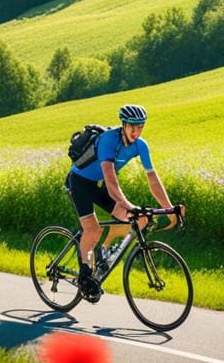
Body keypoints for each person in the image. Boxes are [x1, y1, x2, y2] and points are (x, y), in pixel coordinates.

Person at [65, 104, 181, 299]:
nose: (137, 131)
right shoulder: (108, 141)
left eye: (141, 126)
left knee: (138, 219)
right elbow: (111, 182)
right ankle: (85, 276)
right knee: (93, 230)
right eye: (133, 126)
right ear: (124, 124)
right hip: (80, 183)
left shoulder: (140, 145)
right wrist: (129, 205)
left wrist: (168, 208)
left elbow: (152, 178)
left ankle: (104, 254)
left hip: (99, 185)